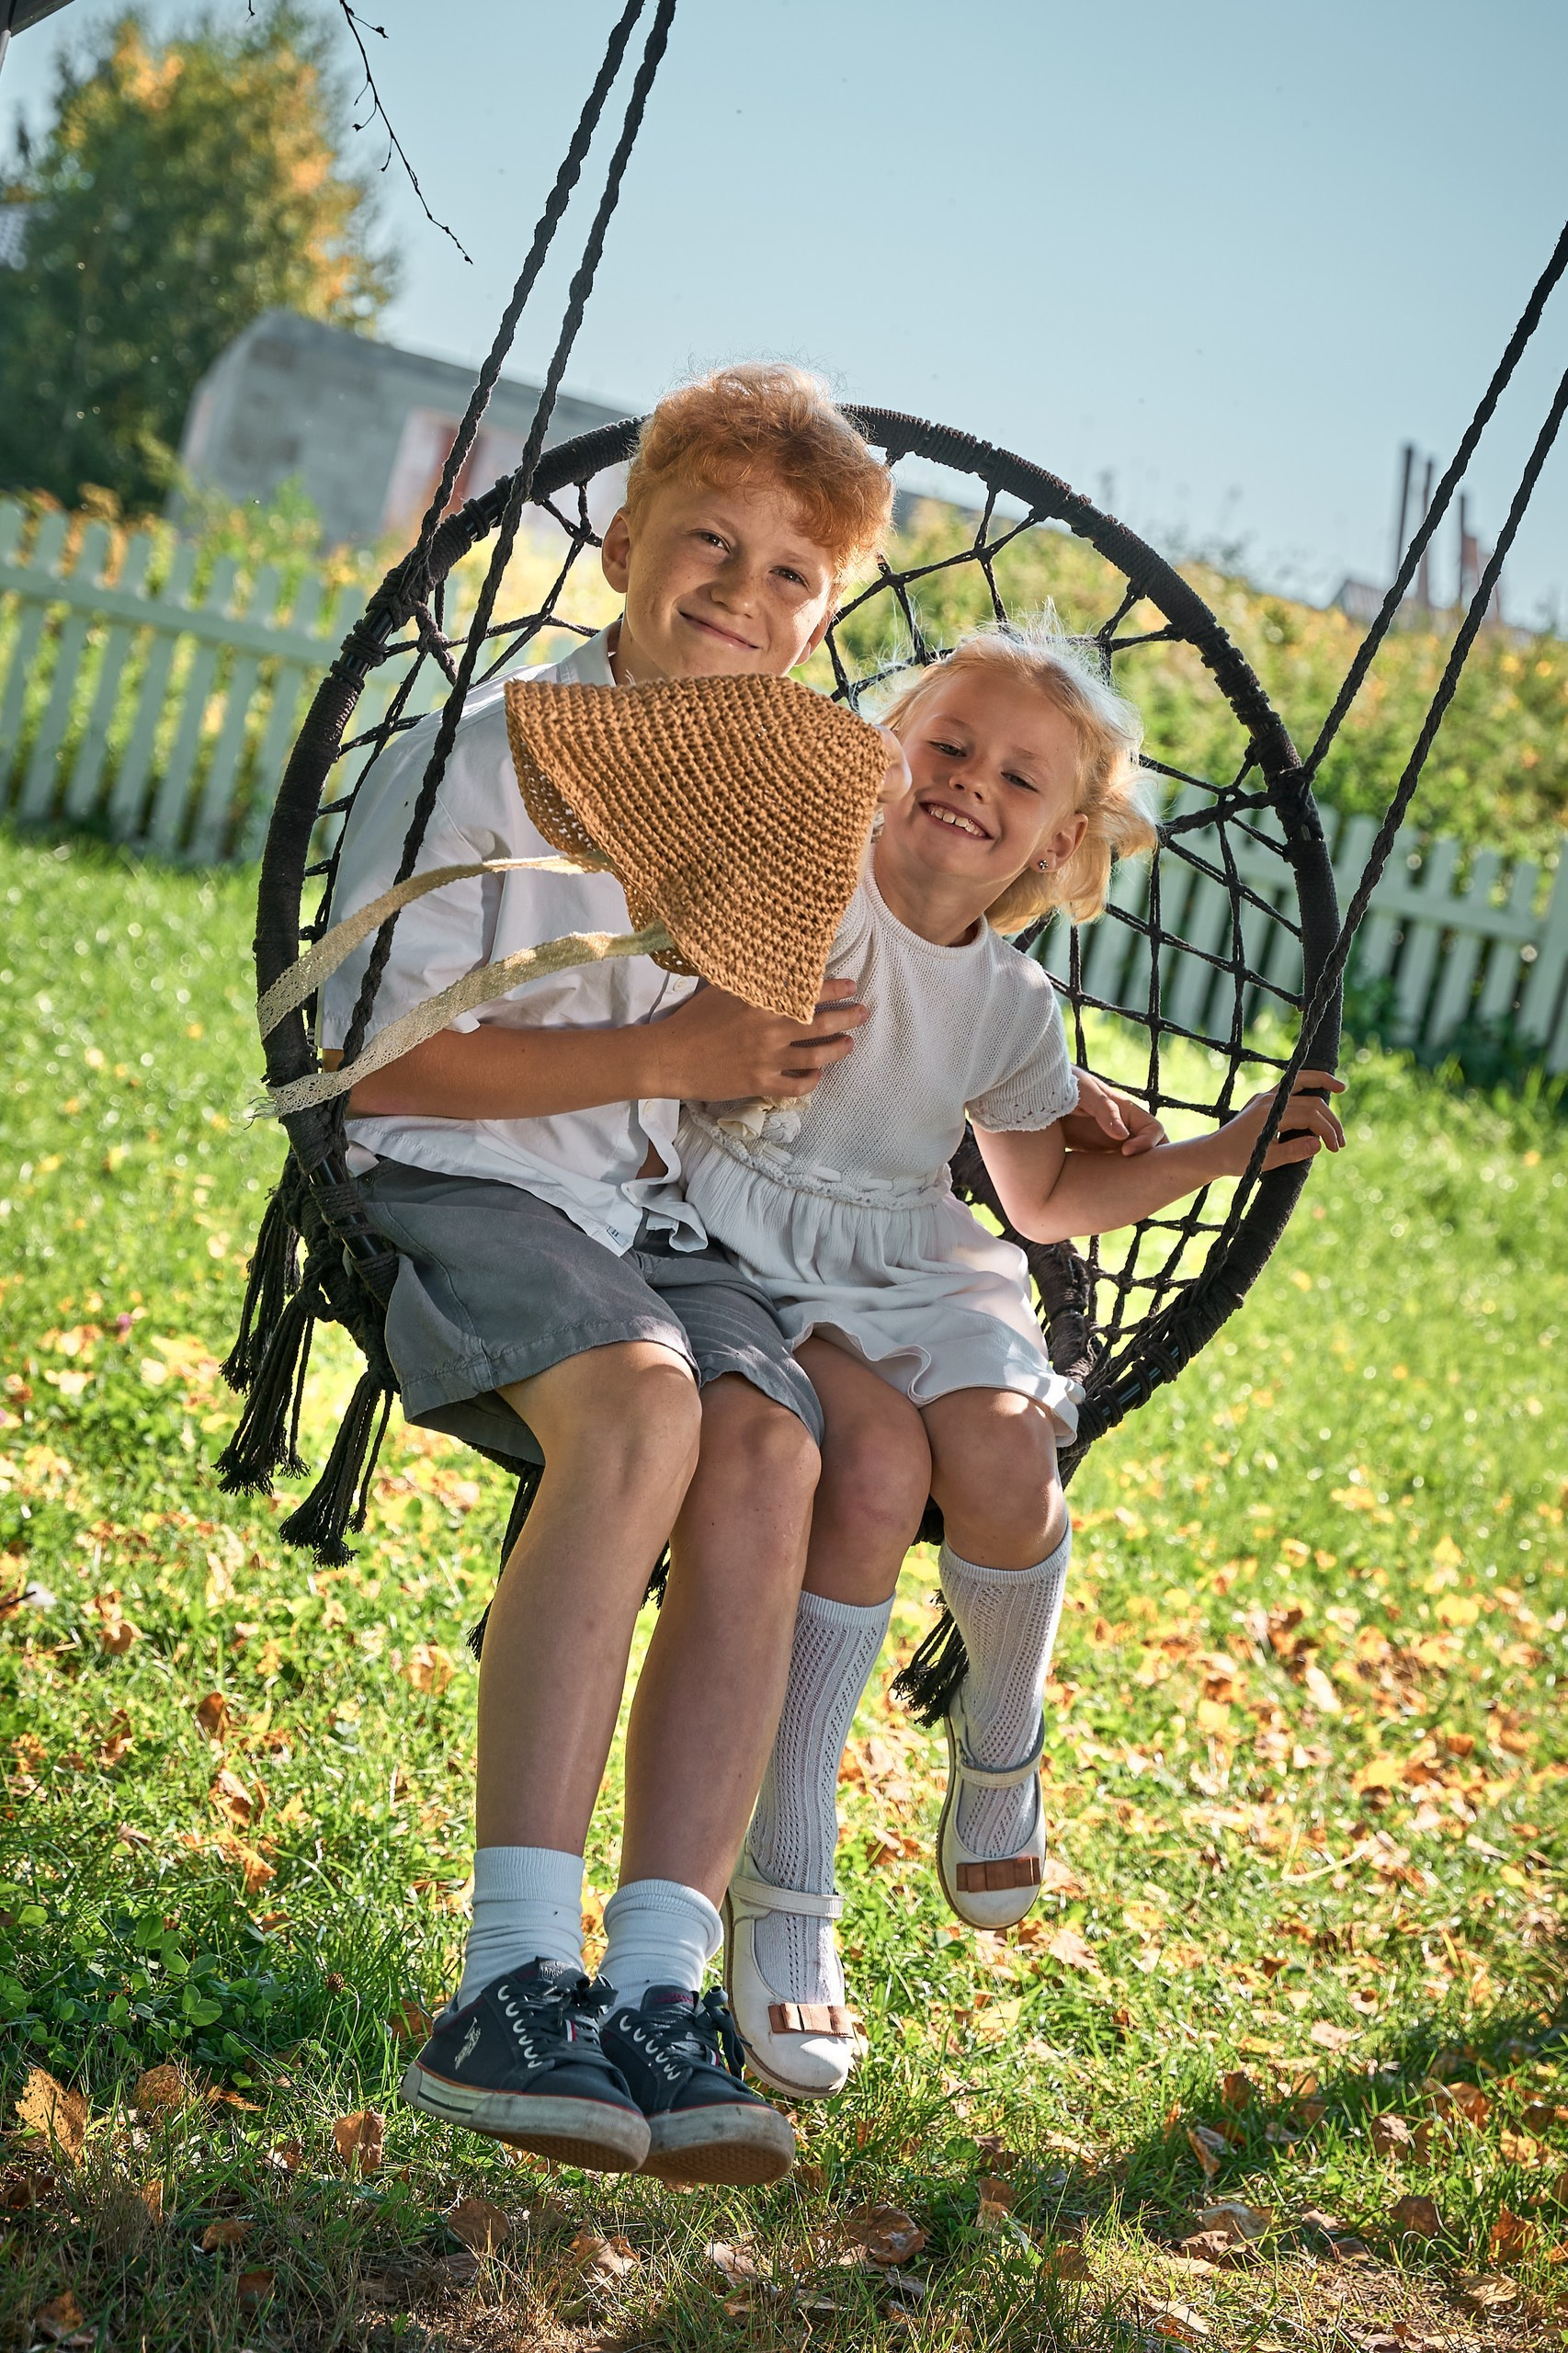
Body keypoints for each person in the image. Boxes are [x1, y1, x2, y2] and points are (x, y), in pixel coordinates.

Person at [318, 364, 900, 2184]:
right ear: (618, 538)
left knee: (773, 1453)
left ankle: (655, 1983)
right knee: (646, 1407)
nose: (743, 592)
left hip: (640, 1220)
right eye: (709, 543)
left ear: (822, 618)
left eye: (793, 575)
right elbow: (380, 1068)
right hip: (456, 1175)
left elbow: (832, 1035)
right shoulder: (485, 759)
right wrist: (684, 1056)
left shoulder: (771, 806)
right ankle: (507, 1974)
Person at [681, 624, 1346, 2098]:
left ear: (1060, 839)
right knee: (870, 1478)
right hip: (745, 1255)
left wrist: (1222, 1147)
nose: (971, 785)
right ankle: (784, 1883)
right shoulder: (803, 890)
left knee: (999, 1450)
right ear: (884, 754)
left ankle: (1000, 1741)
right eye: (948, 744)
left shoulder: (1010, 1004)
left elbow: (1042, 1200)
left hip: (909, 1255)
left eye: (1018, 779)